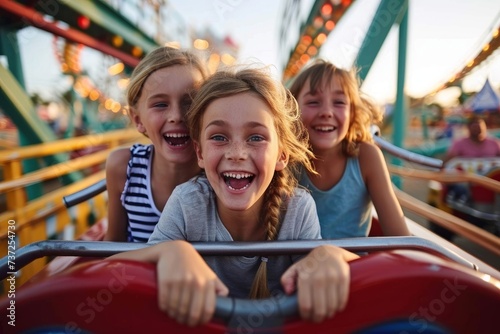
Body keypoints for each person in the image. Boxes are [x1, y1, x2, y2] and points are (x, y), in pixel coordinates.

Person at [111, 67, 358, 326]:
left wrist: (331, 255)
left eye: (256, 137)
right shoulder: (187, 202)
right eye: (219, 137)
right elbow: (117, 269)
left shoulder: (296, 209)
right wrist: (168, 252)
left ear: (282, 154)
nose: (237, 153)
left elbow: (320, 269)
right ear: (201, 153)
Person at [289, 59, 410, 238]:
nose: (327, 112)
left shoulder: (366, 157)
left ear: (352, 113)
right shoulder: (286, 159)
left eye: (338, 102)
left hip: (351, 264)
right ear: (292, 111)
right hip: (297, 265)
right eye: (314, 102)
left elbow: (400, 237)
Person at [104, 47, 208, 242]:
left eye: (190, 102)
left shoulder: (220, 174)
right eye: (160, 104)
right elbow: (112, 246)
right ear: (138, 120)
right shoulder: (123, 168)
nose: (176, 116)